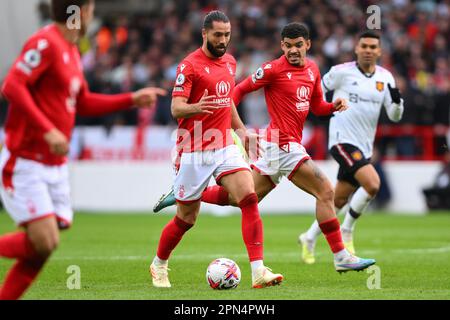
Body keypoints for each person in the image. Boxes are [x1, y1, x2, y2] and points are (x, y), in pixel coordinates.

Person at [153, 22, 376, 273]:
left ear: (308, 45)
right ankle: (341, 256)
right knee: (325, 191)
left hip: (280, 148)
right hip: (282, 145)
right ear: (282, 45)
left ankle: (187, 193)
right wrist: (230, 123)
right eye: (288, 46)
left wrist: (332, 107)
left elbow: (316, 107)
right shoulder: (272, 69)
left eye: (298, 46)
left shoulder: (313, 69)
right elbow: (237, 92)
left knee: (243, 198)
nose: (293, 50)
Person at [0, 0, 166, 300]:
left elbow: (83, 102)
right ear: (81, 12)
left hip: (54, 163)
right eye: (90, 8)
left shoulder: (72, 50)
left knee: (44, 245)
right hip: (26, 160)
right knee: (44, 241)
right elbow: (12, 85)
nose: (92, 15)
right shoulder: (45, 42)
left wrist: (130, 99)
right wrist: (47, 129)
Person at [149, 11, 283, 289]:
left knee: (247, 196)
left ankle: (258, 271)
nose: (223, 40)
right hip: (193, 148)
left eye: (227, 35)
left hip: (224, 145)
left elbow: (227, 101)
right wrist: (194, 108)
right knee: (187, 219)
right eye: (217, 35)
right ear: (204, 34)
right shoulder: (189, 66)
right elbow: (176, 108)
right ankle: (159, 264)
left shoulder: (230, 62)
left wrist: (242, 131)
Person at [299, 31, 404, 264]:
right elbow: (316, 91)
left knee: (337, 201)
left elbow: (395, 116)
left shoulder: (386, 78)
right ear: (356, 49)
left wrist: (397, 101)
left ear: (379, 51)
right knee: (372, 183)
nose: (368, 50)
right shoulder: (340, 72)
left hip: (364, 146)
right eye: (364, 46)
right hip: (341, 140)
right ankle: (347, 231)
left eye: (372, 47)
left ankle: (308, 237)